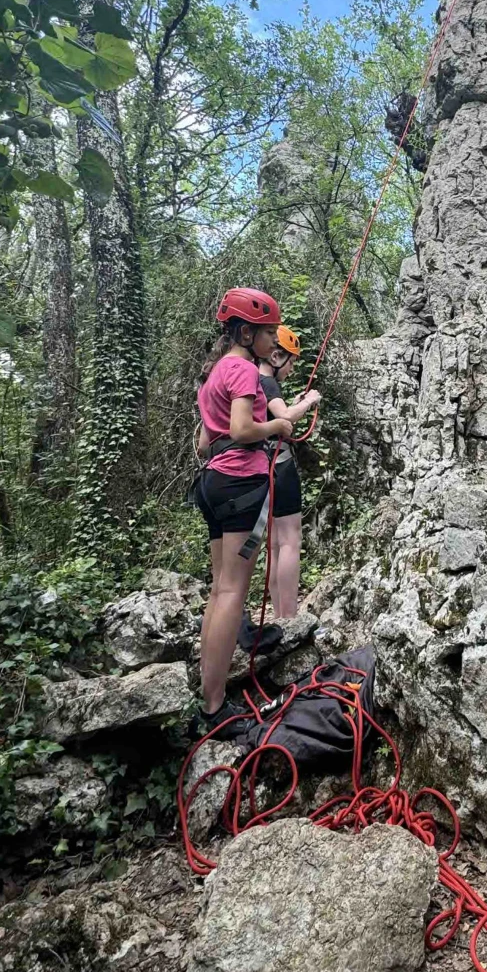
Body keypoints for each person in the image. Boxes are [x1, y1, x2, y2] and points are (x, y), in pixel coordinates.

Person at [190, 288, 319, 738]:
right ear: (246, 332)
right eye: (267, 333)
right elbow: (244, 429)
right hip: (240, 484)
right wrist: (279, 426)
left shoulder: (215, 372)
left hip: (211, 484)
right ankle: (214, 705)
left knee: (218, 590)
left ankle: (207, 689)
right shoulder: (244, 369)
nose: (273, 341)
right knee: (231, 593)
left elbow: (206, 443)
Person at [255, 324, 318, 623]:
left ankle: (280, 615)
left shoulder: (252, 381)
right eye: (291, 362)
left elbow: (274, 414)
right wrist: (308, 402)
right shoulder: (267, 382)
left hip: (262, 469)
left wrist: (293, 405)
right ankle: (290, 617)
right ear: (276, 356)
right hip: (279, 467)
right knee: (290, 540)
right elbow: (284, 417)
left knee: (275, 544)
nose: (292, 369)